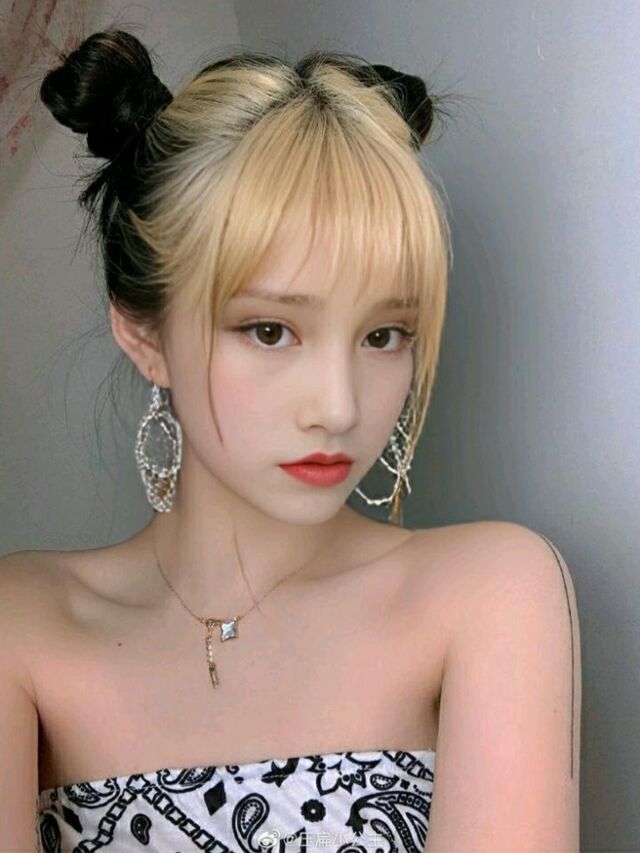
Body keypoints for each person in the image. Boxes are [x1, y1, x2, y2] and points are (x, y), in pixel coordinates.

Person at [0, 29, 581, 852]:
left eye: (383, 335)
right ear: (145, 334)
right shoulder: (22, 626)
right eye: (270, 330)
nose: (338, 406)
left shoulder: (490, 596)